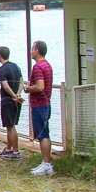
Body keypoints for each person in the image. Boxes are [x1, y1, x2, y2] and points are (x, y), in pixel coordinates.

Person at [25, 40, 54, 176]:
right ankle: (45, 163)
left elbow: (40, 86)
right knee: (44, 133)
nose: (31, 51)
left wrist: (28, 88)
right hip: (46, 103)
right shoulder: (47, 65)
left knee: (42, 135)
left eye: (32, 49)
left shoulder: (37, 67)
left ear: (37, 51)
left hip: (40, 104)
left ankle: (46, 164)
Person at [0, 46, 24, 159]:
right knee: (11, 125)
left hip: (8, 100)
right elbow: (22, 81)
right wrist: (18, 94)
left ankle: (15, 151)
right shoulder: (16, 66)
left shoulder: (2, 69)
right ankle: (8, 148)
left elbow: (5, 85)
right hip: (16, 100)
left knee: (10, 127)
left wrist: (13, 96)